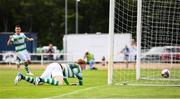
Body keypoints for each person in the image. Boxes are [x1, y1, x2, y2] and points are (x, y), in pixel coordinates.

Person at [14, 59, 85, 86]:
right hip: (57, 67)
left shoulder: (72, 67)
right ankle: (40, 79)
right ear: (81, 64)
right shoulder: (78, 67)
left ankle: (22, 76)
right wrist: (80, 83)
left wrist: (68, 84)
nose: (84, 67)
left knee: (40, 83)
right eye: (84, 65)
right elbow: (80, 77)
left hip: (54, 66)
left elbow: (63, 77)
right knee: (60, 83)